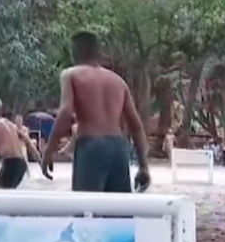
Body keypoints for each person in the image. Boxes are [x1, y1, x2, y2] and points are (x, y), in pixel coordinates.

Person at [42, 30, 150, 192]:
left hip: (91, 146)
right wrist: (143, 166)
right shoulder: (118, 81)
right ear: (97, 51)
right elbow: (136, 126)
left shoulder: (70, 74)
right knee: (117, 206)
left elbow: (65, 112)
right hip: (118, 148)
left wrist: (49, 150)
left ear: (75, 51)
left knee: (87, 204)